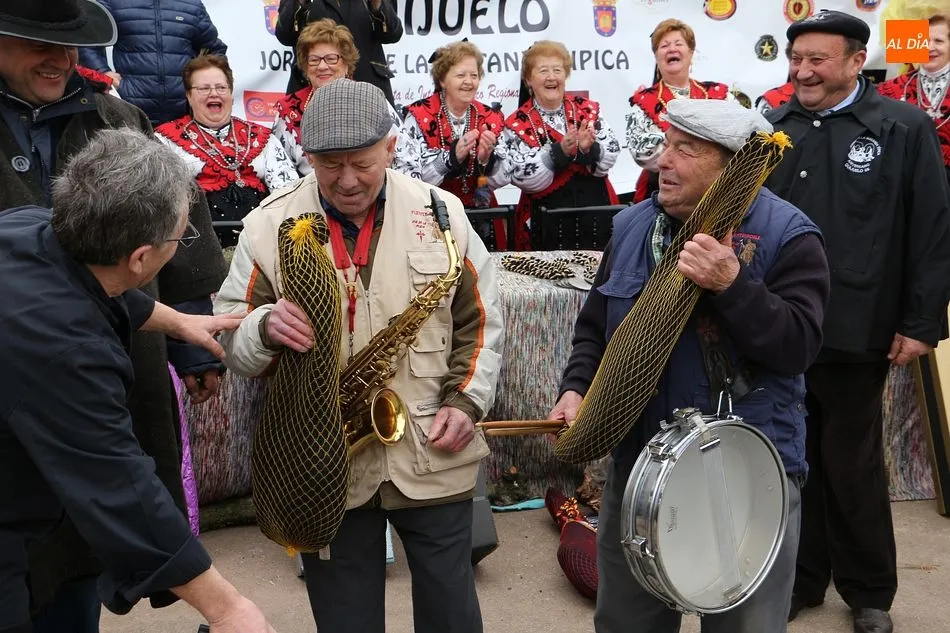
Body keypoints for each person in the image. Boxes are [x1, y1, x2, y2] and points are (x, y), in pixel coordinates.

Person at [213, 78, 504, 633]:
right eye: (329, 164)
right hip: (324, 461)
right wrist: (264, 327)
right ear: (306, 154)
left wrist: (466, 403)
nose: (347, 181)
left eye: (363, 163)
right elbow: (231, 338)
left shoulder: (443, 213)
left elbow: (482, 318)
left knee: (453, 616)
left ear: (391, 148)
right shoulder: (267, 225)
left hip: (433, 447)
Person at [549, 97, 831, 633]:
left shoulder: (788, 235)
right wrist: (576, 389)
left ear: (731, 168)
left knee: (743, 626)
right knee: (626, 623)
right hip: (640, 469)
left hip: (748, 473)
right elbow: (594, 329)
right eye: (665, 145)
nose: (663, 161)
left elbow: (798, 347)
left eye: (685, 149)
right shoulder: (632, 225)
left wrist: (733, 284)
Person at [0, 2, 230, 629]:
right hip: (25, 380)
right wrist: (229, 610)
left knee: (82, 546)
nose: (61, 60)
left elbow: (177, 229)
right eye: (36, 42)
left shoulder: (114, 116)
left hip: (115, 364)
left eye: (70, 45)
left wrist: (186, 336)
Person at [0, 127, 277, 633]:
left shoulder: (32, 228)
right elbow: (120, 487)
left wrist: (178, 321)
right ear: (141, 259)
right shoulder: (69, 352)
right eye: (180, 236)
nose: (181, 243)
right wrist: (227, 608)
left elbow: (97, 284)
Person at [763, 10, 950, 633]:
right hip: (781, 328)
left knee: (851, 458)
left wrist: (922, 322)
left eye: (818, 59)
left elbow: (930, 229)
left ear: (853, 61)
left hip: (859, 325)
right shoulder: (774, 128)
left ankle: (870, 592)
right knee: (790, 459)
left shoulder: (903, 126)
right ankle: (799, 580)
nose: (803, 71)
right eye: (797, 59)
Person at [156, 54, 298, 248]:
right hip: (198, 248)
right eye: (204, 88)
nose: (213, 93)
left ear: (231, 94)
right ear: (189, 96)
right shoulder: (165, 141)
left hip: (261, 244)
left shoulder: (261, 137)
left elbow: (288, 193)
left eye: (221, 87)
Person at [501, 40, 621, 251]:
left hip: (595, 215)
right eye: (543, 70)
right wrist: (559, 152)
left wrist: (588, 149)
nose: (551, 77)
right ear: (529, 79)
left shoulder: (587, 109)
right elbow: (517, 172)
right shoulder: (517, 122)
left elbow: (611, 149)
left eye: (557, 70)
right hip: (545, 221)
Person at [394, 41, 509, 247]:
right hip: (432, 216)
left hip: (481, 217)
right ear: (443, 80)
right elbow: (408, 177)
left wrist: (486, 161)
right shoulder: (419, 115)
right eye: (461, 75)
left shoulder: (490, 116)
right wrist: (451, 158)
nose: (469, 82)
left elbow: (508, 174)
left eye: (474, 75)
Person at [273, 18, 400, 177]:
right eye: (314, 60)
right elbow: (281, 172)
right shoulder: (288, 110)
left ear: (346, 64)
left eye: (331, 58)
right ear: (306, 67)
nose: (322, 66)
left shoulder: (373, 99)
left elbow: (406, 160)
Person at [625, 19, 733, 204]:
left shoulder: (718, 95)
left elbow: (738, 135)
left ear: (691, 53)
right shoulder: (644, 101)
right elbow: (640, 150)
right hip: (663, 190)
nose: (671, 49)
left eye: (678, 44)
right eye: (664, 45)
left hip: (715, 192)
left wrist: (675, 145)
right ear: (657, 57)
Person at [78, 0, 228, 126]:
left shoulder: (191, 5)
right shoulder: (114, 2)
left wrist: (201, 87)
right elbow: (87, 41)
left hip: (184, 118)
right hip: (130, 115)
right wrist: (103, 74)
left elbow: (214, 50)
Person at [275, 0, 402, 103]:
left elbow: (393, 34)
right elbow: (285, 35)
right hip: (311, 90)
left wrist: (376, 3)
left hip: (368, 83)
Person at [877, 13, 950, 180]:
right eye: (923, 40)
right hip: (902, 182)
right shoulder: (889, 89)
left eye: (938, 41)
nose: (929, 47)